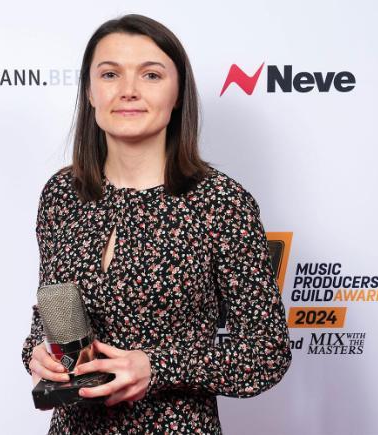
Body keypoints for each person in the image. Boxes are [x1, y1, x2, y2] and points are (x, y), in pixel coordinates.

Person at [22, 13, 292, 434]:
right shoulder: (62, 194)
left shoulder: (220, 203)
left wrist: (158, 366)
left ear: (179, 92)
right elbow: (53, 313)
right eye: (110, 74)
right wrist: (38, 353)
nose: (128, 91)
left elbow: (266, 352)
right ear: (90, 92)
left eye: (151, 75)